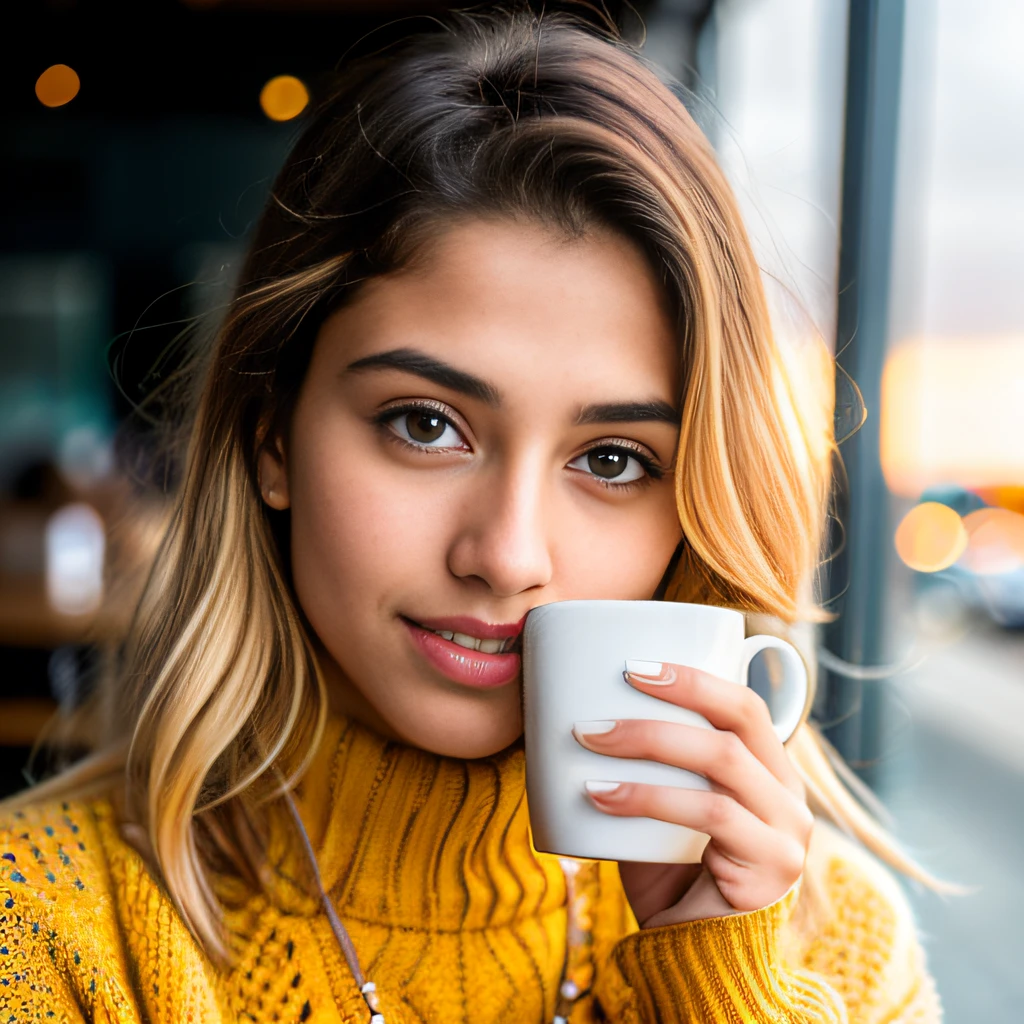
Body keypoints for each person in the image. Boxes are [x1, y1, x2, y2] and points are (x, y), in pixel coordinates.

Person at [0, 8, 942, 1022]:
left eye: (614, 459)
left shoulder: (838, 948)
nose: (505, 553)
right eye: (423, 424)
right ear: (273, 438)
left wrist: (720, 994)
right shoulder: (45, 928)